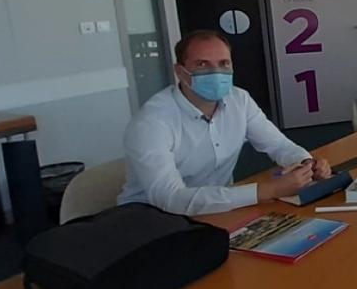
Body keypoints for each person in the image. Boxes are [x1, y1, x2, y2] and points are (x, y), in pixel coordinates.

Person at [118, 29, 332, 215]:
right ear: (180, 72)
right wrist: (269, 190)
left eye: (223, 63)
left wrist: (306, 163)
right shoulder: (151, 122)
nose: (215, 72)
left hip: (220, 209)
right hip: (153, 219)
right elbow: (170, 199)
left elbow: (278, 145)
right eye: (202, 64)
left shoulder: (239, 99)